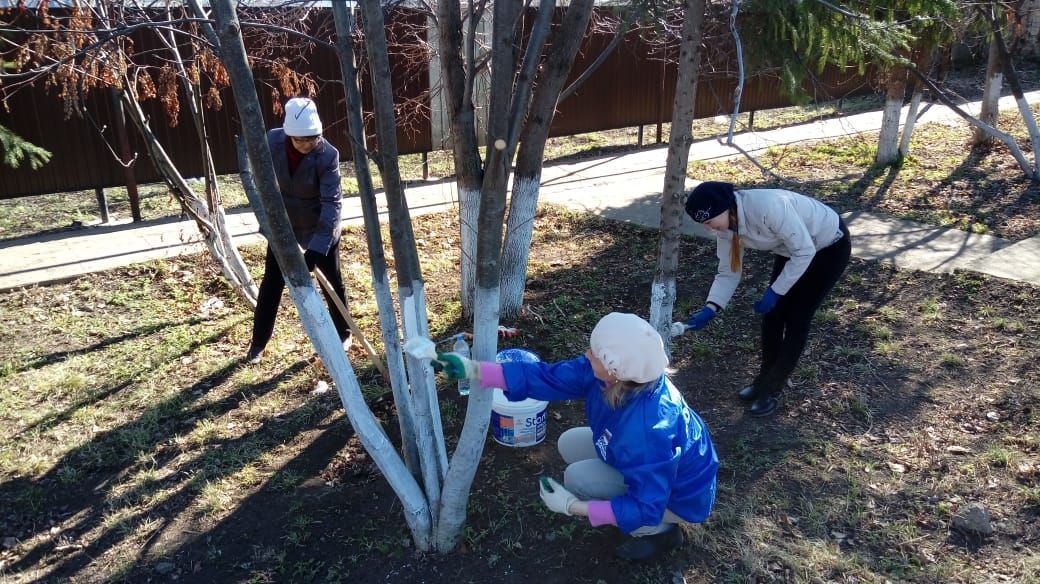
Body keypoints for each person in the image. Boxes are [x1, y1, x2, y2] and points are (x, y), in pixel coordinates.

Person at [434, 313, 719, 561]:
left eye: (593, 352)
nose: (586, 354)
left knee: (578, 479)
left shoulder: (647, 429)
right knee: (569, 442)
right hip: (652, 467)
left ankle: (662, 533)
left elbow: (647, 505)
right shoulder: (622, 377)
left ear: (614, 370)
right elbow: (547, 377)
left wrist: (573, 506)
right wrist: (474, 370)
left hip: (678, 497)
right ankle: (622, 498)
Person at [677, 181, 851, 417]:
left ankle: (773, 389)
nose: (710, 229)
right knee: (772, 317)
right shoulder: (725, 228)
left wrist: (776, 290)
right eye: (704, 224)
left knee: (797, 319)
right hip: (792, 251)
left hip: (828, 247)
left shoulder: (769, 208)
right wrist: (712, 306)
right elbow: (729, 270)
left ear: (726, 209)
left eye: (709, 222)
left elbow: (805, 251)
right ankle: (763, 379)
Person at [246, 97, 350, 364]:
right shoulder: (271, 142)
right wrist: (272, 222)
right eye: (301, 139)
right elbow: (258, 178)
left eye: (313, 138)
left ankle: (343, 333)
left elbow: (332, 203)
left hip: (320, 228)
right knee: (272, 282)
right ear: (289, 134)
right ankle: (258, 342)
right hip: (284, 226)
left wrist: (317, 247)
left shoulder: (327, 155)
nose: (307, 144)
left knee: (332, 282)